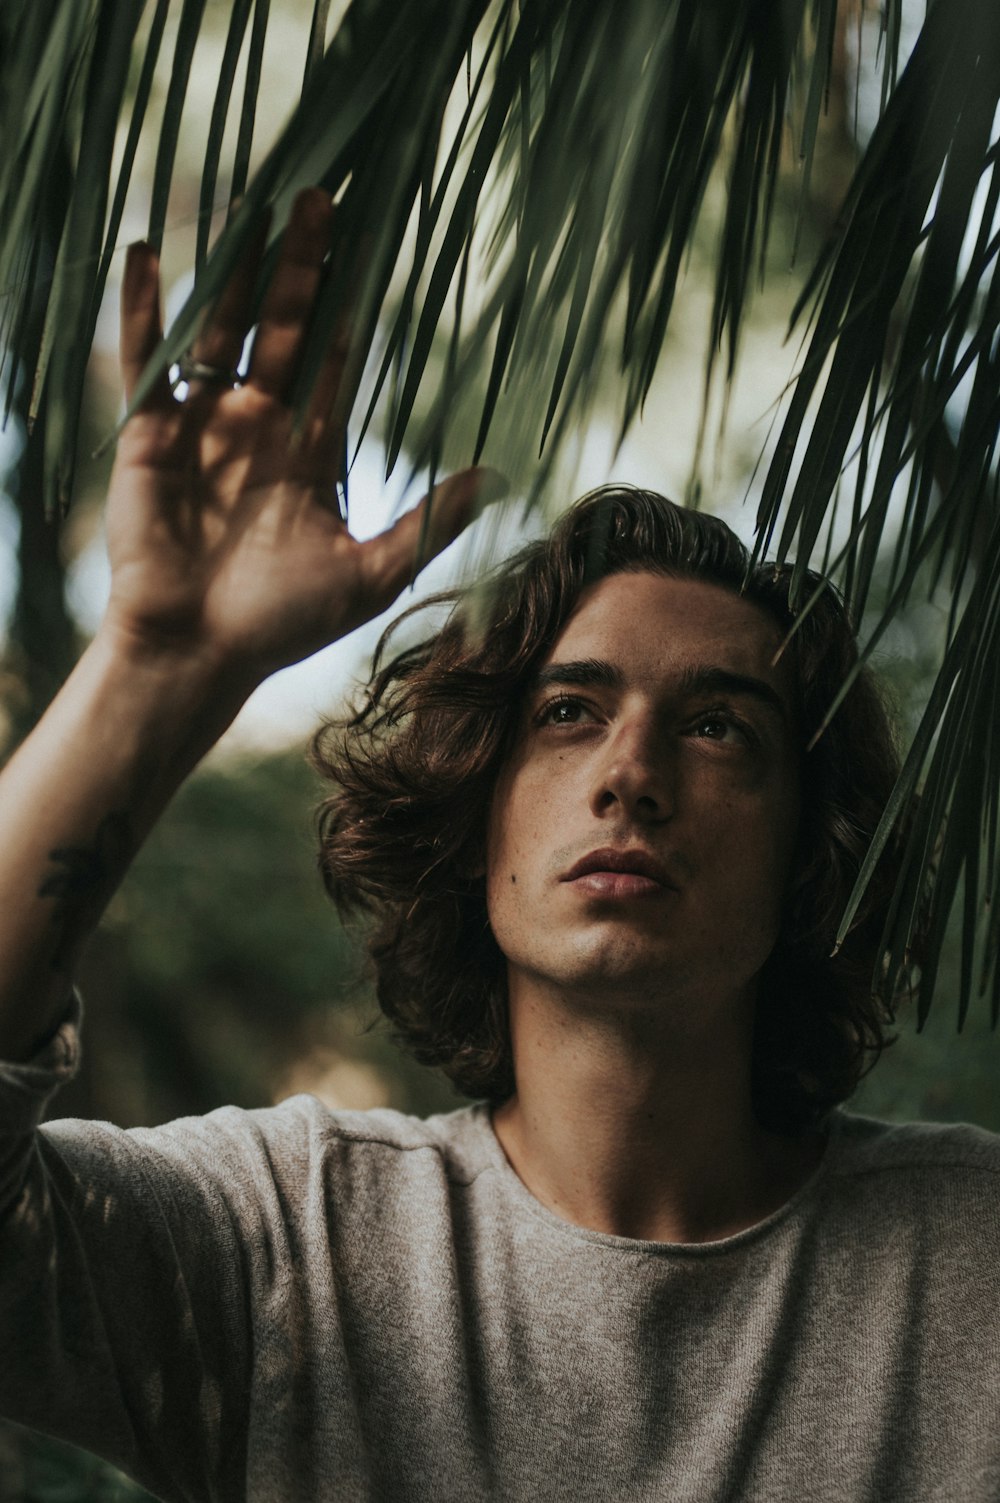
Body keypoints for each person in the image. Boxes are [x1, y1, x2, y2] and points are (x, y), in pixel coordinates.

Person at [1, 188, 999, 1503]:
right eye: (569, 715)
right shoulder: (287, 1241)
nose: (630, 775)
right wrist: (154, 665)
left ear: (815, 849)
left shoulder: (971, 1253)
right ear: (477, 825)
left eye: (715, 729)